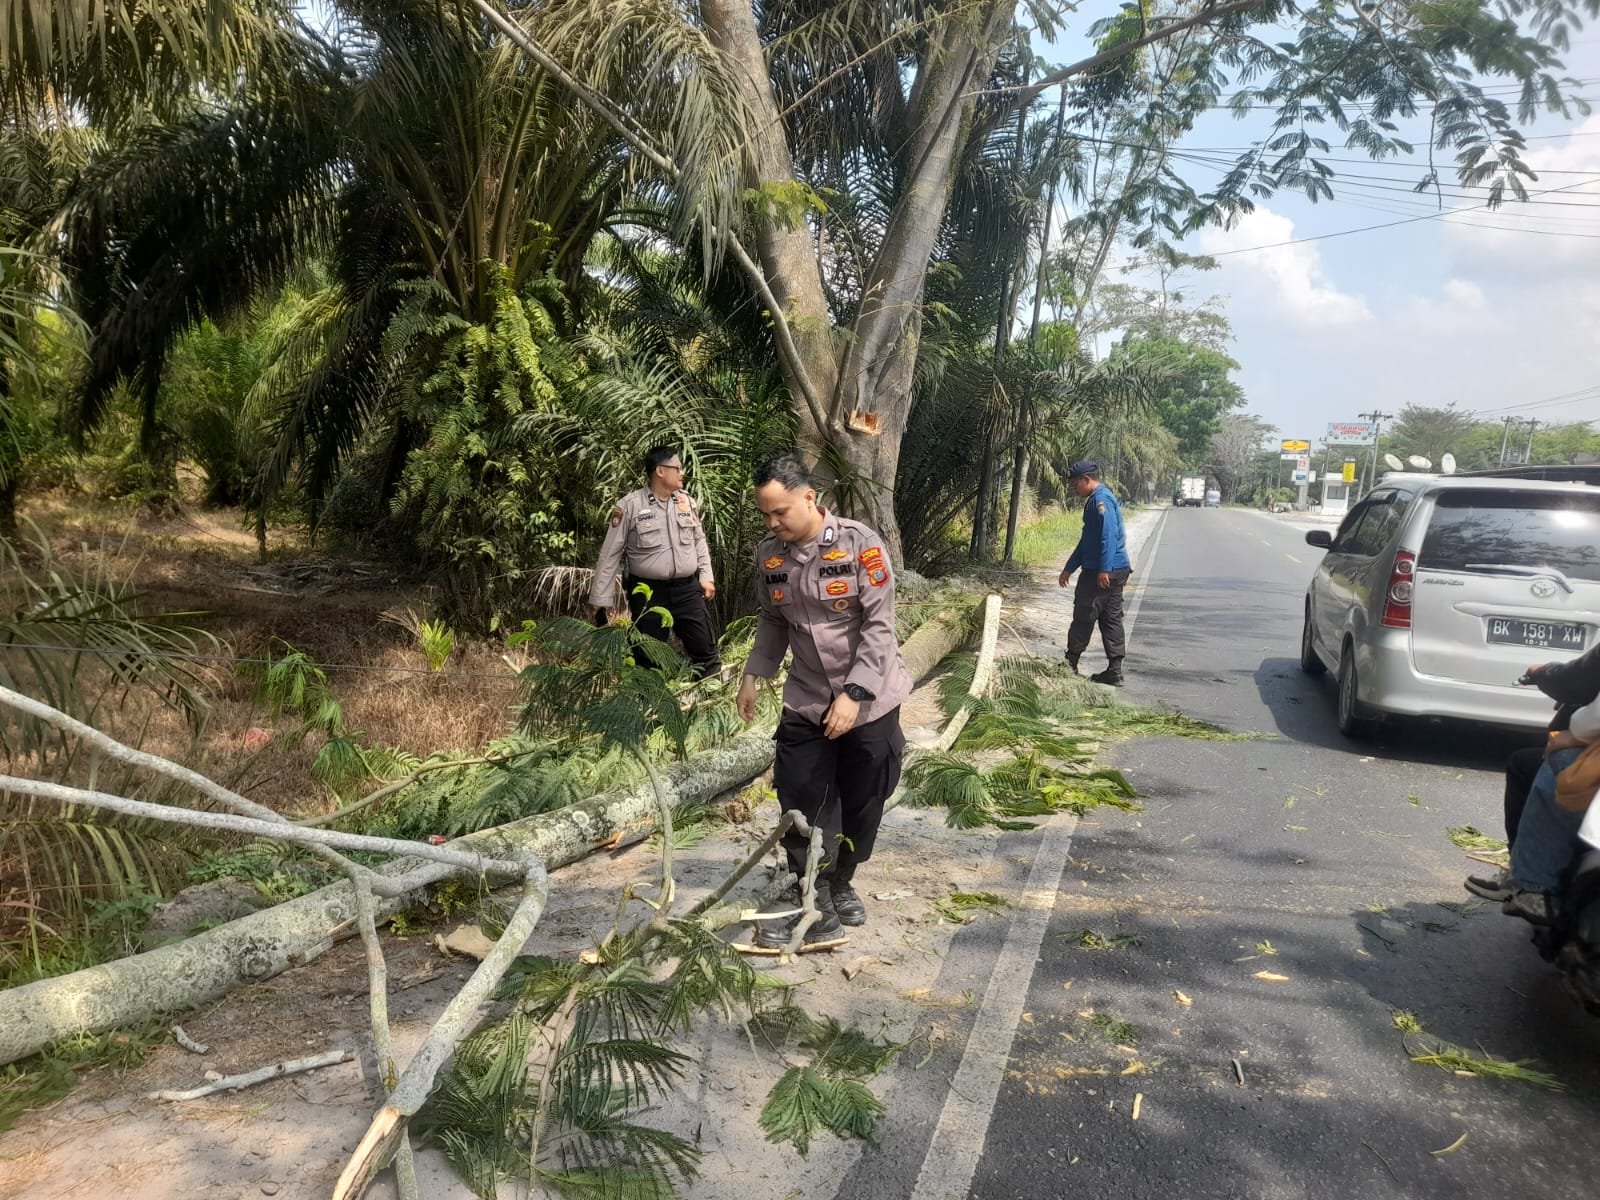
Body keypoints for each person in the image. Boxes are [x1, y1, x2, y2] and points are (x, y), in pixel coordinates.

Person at [735, 453, 911, 949]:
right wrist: (754, 674)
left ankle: (841, 881)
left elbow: (880, 626)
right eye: (765, 515)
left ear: (809, 498)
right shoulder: (769, 555)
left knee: (863, 796)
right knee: (800, 793)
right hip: (808, 696)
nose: (773, 523)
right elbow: (773, 621)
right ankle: (814, 898)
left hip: (871, 696)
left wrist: (855, 694)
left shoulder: (861, 545)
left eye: (781, 512)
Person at [589, 445, 721, 679]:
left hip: (688, 591)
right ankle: (650, 710)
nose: (682, 473)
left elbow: (699, 541)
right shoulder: (630, 505)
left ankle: (710, 705)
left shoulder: (686, 502)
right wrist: (601, 598)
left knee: (706, 653)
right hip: (647, 593)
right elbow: (610, 554)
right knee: (648, 659)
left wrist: (706, 576)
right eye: (677, 468)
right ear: (660, 471)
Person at [1057, 460, 1132, 686]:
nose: (1074, 488)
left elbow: (1107, 536)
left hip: (1103, 571)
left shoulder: (1101, 500)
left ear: (1087, 480)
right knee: (1111, 619)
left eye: (1075, 484)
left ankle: (1070, 663)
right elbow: (1087, 541)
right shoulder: (1096, 500)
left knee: (1084, 614)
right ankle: (1114, 671)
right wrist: (1069, 567)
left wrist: (1104, 569)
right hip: (1114, 569)